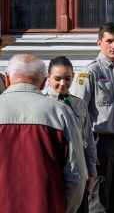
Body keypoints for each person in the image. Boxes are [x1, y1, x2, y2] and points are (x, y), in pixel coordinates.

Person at [0, 54, 87, 213]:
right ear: (43, 82)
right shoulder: (60, 112)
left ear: (6, 79)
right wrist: (64, 208)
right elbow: (76, 175)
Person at [72, 22, 114, 213]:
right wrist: (86, 149)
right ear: (99, 42)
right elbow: (78, 113)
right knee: (99, 198)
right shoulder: (89, 72)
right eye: (109, 41)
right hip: (100, 144)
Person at [46, 56, 97, 213]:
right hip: (56, 171)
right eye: (57, 78)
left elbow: (88, 139)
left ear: (73, 76)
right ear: (48, 78)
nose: (63, 84)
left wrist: (92, 172)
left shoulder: (79, 104)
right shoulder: (43, 104)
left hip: (78, 172)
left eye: (67, 78)